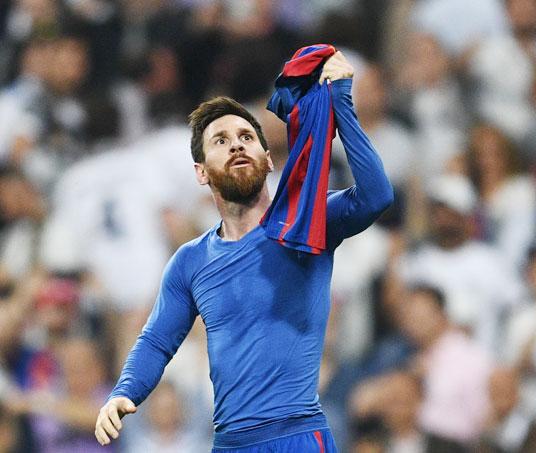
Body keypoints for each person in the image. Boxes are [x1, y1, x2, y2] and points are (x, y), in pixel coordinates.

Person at [94, 50, 393, 452]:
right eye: (221, 141)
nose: (236, 146)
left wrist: (342, 105)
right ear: (201, 172)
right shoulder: (190, 261)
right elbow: (157, 340)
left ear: (268, 159)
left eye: (246, 137)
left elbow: (376, 196)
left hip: (299, 437)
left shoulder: (307, 223)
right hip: (230, 443)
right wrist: (124, 390)